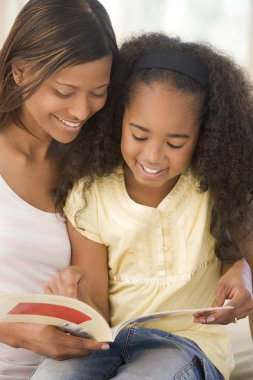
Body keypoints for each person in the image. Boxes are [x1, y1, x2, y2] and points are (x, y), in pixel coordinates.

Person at [30, 32, 253, 380]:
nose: (152, 156)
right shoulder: (90, 195)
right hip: (108, 344)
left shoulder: (219, 188)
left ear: (204, 136)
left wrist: (243, 275)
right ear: (119, 119)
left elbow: (244, 259)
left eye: (175, 143)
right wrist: (76, 292)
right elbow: (97, 317)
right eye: (139, 135)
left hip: (185, 345)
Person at [0, 0, 118, 378]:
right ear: (20, 71)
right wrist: (12, 330)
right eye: (65, 91)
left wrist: (78, 296)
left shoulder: (86, 168)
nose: (82, 111)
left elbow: (96, 315)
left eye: (98, 92)